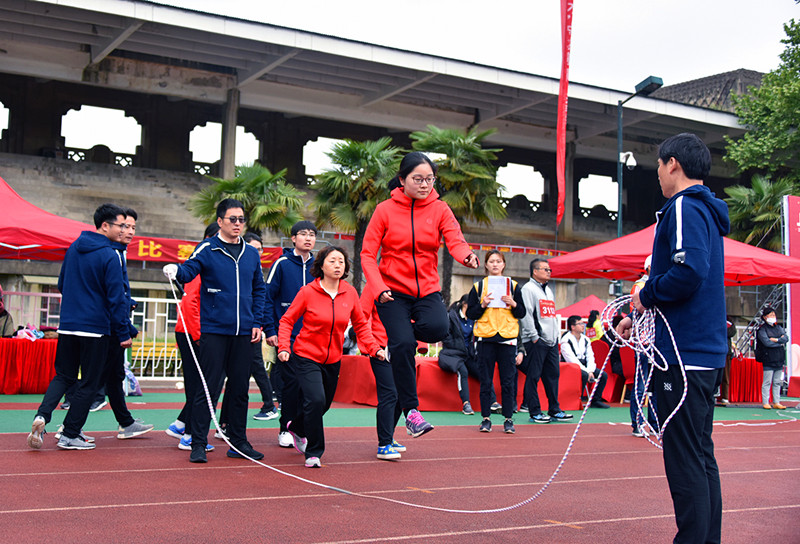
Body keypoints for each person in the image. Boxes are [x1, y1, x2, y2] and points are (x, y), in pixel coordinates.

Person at [618, 133, 729, 543]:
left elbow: (688, 271)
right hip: (703, 352)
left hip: (682, 355)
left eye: (659, 165)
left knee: (685, 459)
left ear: (673, 164)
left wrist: (645, 294)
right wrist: (639, 312)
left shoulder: (683, 206)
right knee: (700, 456)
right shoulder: (707, 211)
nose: (658, 174)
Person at [361, 151, 479, 438]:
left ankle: (404, 335)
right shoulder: (384, 210)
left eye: (430, 179)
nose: (425, 184)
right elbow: (366, 255)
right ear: (402, 180)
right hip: (392, 292)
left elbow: (454, 238)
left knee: (438, 326)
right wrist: (378, 288)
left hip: (426, 290)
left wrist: (466, 256)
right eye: (418, 179)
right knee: (402, 344)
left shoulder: (440, 209)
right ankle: (412, 413)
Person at [163, 198, 266, 464]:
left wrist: (257, 322)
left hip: (244, 332)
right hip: (215, 331)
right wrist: (176, 271)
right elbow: (189, 270)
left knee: (240, 389)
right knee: (206, 388)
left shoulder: (251, 254)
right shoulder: (207, 248)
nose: (238, 224)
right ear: (220, 221)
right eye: (232, 219)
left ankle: (238, 441)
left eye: (241, 219)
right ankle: (198, 442)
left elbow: (259, 290)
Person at [27, 203, 134, 450]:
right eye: (121, 225)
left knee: (63, 376)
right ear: (105, 225)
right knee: (89, 382)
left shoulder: (74, 248)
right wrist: (123, 331)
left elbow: (62, 284)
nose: (123, 230)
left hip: (67, 326)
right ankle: (70, 434)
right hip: (95, 329)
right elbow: (116, 299)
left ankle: (42, 416)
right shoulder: (110, 254)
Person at [277, 246, 385, 468]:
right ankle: (314, 453)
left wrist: (374, 348)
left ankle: (296, 427)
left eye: (341, 262)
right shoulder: (308, 292)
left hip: (333, 359)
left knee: (323, 404)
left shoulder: (350, 293)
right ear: (322, 265)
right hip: (306, 355)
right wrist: (284, 347)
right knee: (315, 400)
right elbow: (287, 320)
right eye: (333, 261)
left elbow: (361, 325)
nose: (337, 265)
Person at [263, 220, 317, 449]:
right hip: (288, 336)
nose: (308, 238)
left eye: (312, 234)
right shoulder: (282, 264)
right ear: (293, 238)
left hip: (314, 337)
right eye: (303, 234)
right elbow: (267, 297)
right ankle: (285, 428)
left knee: (313, 389)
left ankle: (302, 430)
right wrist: (270, 330)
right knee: (291, 385)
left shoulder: (319, 266)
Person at [168, 222, 219, 452]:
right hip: (193, 333)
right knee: (204, 387)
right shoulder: (204, 263)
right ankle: (190, 435)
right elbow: (191, 303)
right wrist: (200, 336)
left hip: (193, 331)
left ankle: (181, 425)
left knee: (200, 384)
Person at [466, 250, 526, 434]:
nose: (495, 264)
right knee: (486, 381)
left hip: (507, 338)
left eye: (498, 261)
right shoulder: (478, 287)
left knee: (508, 381)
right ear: (485, 265)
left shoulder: (514, 286)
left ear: (504, 264)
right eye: (491, 261)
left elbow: (522, 312)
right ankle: (486, 419)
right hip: (486, 337)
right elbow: (470, 314)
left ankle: (508, 419)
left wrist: (513, 303)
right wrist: (482, 304)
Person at [519, 258, 573, 424]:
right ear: (535, 271)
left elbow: (551, 316)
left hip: (550, 342)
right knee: (533, 376)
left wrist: (555, 337)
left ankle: (554, 409)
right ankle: (534, 411)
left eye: (549, 270)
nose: (549, 272)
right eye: (545, 269)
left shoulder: (548, 291)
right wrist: (534, 337)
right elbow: (526, 314)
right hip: (536, 341)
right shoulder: (528, 289)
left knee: (552, 375)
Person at [437, 295, 496, 415]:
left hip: (469, 355)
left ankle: (493, 403)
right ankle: (466, 404)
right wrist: (457, 346)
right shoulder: (451, 316)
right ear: (465, 304)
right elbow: (445, 336)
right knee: (463, 371)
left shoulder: (475, 319)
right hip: (452, 353)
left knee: (483, 371)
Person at [560, 315, 610, 408]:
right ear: (572, 327)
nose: (583, 326)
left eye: (583, 323)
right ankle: (577, 400)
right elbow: (571, 359)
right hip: (571, 366)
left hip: (585, 365)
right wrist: (587, 372)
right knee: (583, 375)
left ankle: (595, 400)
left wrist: (590, 370)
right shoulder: (566, 340)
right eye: (580, 324)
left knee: (603, 375)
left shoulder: (585, 339)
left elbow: (590, 356)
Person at [755, 306, 788, 410]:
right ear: (765, 317)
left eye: (774, 315)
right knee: (767, 381)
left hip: (779, 357)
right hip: (768, 358)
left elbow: (786, 338)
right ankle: (766, 402)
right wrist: (779, 341)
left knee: (777, 381)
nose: (773, 317)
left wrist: (776, 340)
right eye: (771, 315)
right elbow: (767, 342)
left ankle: (776, 401)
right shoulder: (762, 329)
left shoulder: (778, 327)